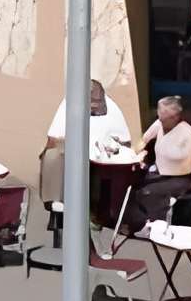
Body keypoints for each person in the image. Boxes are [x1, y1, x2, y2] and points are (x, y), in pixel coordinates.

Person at [40, 82, 137, 235]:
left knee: (101, 172)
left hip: (100, 157)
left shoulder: (112, 110)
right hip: (72, 153)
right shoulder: (68, 105)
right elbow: (54, 138)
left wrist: (110, 145)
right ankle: (56, 203)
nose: (93, 107)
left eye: (97, 102)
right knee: (53, 156)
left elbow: (125, 141)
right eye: (90, 103)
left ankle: (99, 215)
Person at [133, 96, 191, 228]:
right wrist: (136, 152)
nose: (160, 120)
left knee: (148, 192)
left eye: (164, 117)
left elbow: (176, 156)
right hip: (157, 172)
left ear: (175, 117)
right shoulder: (159, 123)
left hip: (178, 178)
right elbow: (144, 139)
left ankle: (156, 225)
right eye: (159, 116)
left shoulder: (187, 133)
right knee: (134, 184)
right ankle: (142, 223)